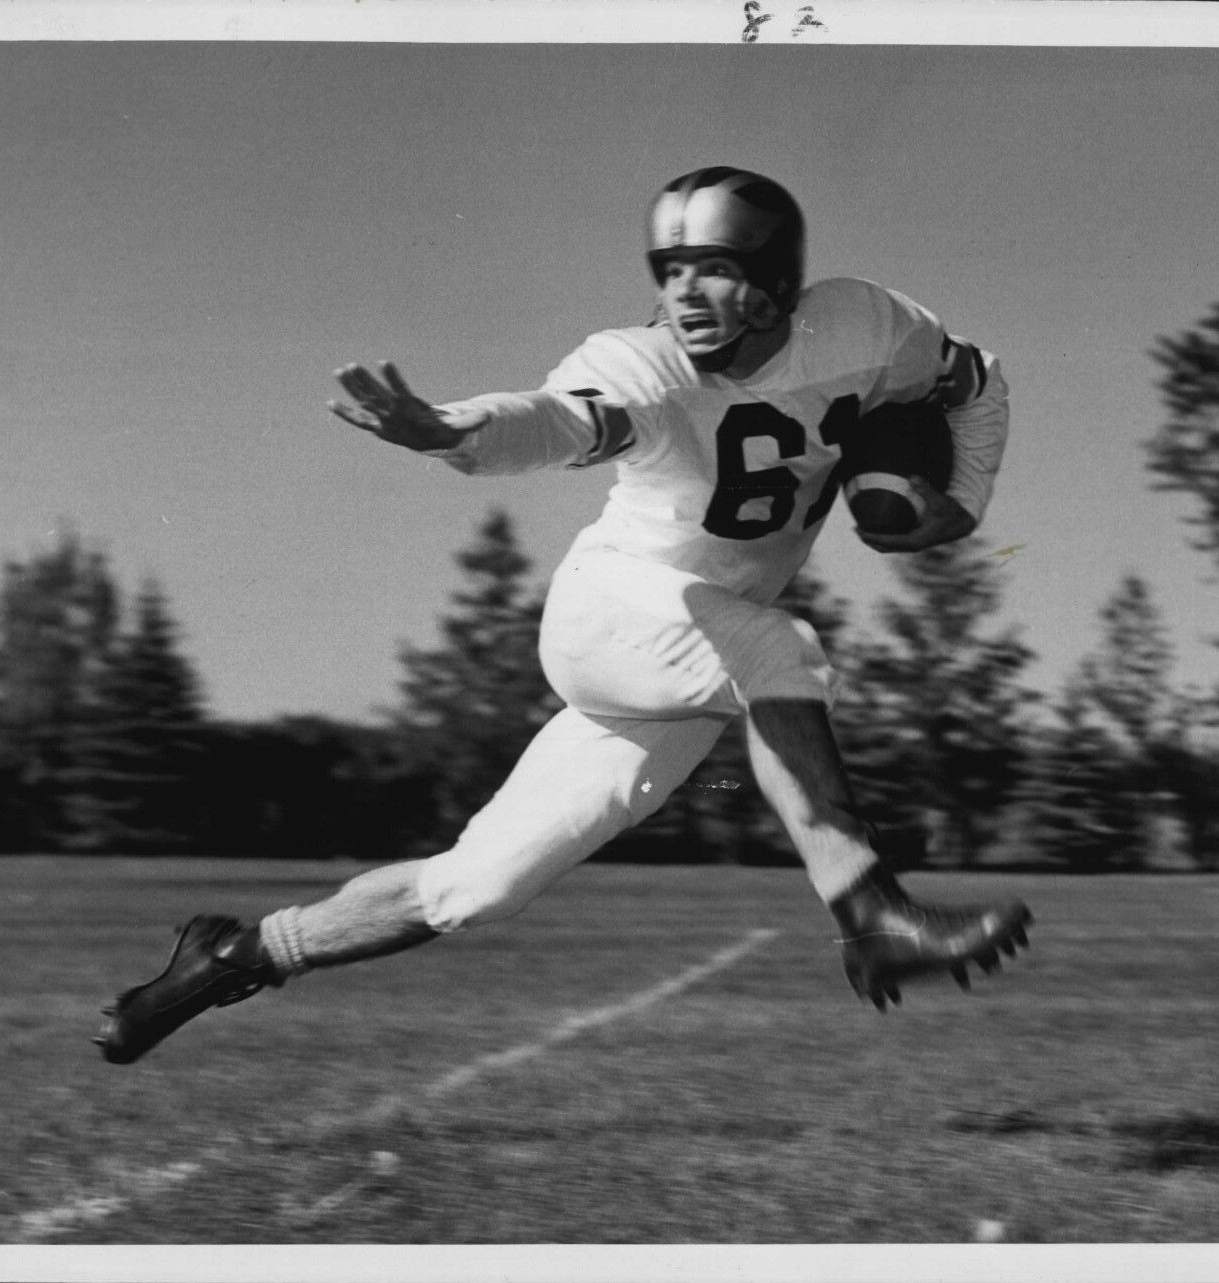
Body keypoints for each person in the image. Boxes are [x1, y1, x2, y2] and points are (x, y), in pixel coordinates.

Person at [95, 166, 1030, 1065]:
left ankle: (223, 959)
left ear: (777, 282)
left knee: (474, 889)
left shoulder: (867, 326)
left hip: (695, 655)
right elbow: (560, 418)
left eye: (714, 267)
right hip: (613, 612)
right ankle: (869, 912)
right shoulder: (644, 364)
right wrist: (456, 429)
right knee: (781, 651)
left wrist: (965, 501)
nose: (686, 293)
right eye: (669, 271)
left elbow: (974, 381)